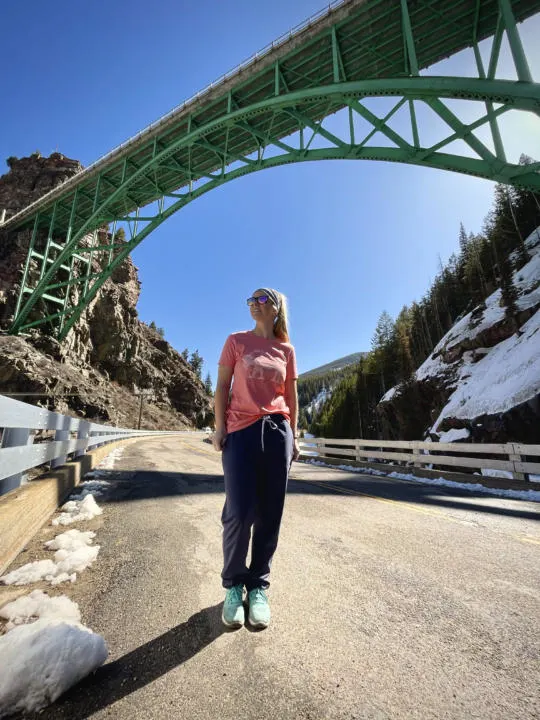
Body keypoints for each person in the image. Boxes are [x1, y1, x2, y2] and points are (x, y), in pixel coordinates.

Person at [212, 287, 300, 629]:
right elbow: (221, 387)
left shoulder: (286, 350)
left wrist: (294, 435)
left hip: (277, 432)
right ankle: (234, 585)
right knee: (238, 511)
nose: (255, 303)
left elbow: (290, 397)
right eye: (251, 299)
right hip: (241, 431)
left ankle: (258, 586)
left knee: (270, 513)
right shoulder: (236, 341)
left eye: (262, 299)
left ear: (276, 308)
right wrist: (220, 428)